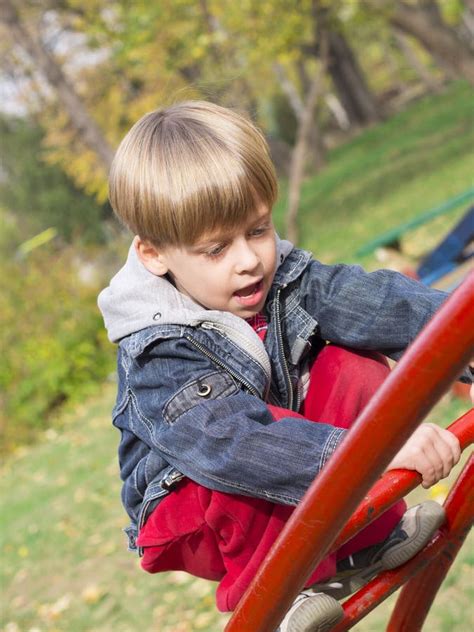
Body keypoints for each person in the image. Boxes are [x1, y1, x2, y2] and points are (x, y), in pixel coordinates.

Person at [98, 101, 470, 632]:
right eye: (215, 248)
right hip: (195, 505)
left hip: (286, 463)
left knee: (351, 358)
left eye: (257, 230)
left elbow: (372, 303)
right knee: (237, 457)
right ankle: (274, 599)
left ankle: (365, 539)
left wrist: (465, 341)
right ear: (155, 255)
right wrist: (369, 453)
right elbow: (230, 445)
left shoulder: (283, 279)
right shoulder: (159, 347)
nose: (247, 259)